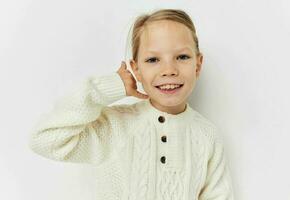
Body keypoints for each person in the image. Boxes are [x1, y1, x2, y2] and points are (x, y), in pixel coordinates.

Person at [28, 8, 235, 200]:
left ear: (197, 65)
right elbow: (44, 139)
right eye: (153, 60)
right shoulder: (114, 126)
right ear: (136, 69)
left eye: (182, 57)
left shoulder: (208, 136)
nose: (169, 70)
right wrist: (107, 87)